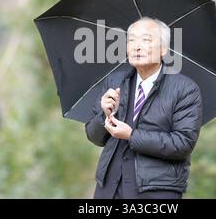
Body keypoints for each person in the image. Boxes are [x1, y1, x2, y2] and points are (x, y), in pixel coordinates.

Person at [85, 17, 203, 199]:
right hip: (109, 188)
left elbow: (183, 143)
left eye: (146, 40)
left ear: (163, 49)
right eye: (131, 40)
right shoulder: (114, 82)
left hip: (156, 191)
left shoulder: (185, 89)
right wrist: (104, 115)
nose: (136, 46)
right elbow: (94, 137)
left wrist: (131, 136)